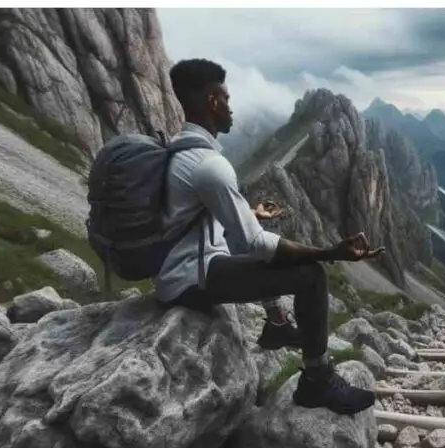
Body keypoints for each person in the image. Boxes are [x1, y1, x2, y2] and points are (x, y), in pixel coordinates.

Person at [154, 58, 384, 415]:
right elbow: (256, 245)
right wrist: (329, 253)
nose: (231, 108)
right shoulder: (209, 165)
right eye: (226, 99)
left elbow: (204, 218)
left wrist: (251, 215)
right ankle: (316, 381)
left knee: (263, 242)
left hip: (184, 267)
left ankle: (277, 325)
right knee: (309, 273)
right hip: (191, 279)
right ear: (213, 101)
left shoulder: (179, 150)